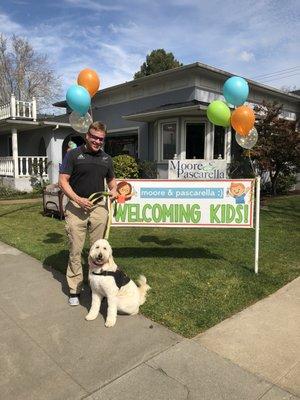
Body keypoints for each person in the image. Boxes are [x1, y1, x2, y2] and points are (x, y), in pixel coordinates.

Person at [59, 121, 117, 306]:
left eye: (101, 139)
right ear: (87, 136)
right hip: (76, 208)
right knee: (75, 251)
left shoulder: (107, 159)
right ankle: (75, 290)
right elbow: (63, 181)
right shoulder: (74, 155)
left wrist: (114, 190)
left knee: (99, 252)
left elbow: (112, 181)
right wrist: (77, 199)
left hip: (99, 208)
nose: (97, 141)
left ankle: (97, 288)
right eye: (94, 137)